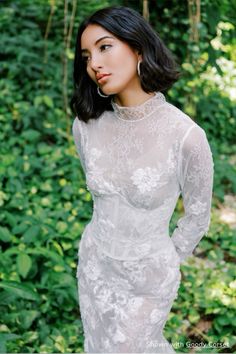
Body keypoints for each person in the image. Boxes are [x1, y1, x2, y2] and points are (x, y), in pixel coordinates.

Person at [70, 5, 214, 353]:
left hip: (148, 280)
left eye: (105, 47)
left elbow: (197, 217)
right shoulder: (86, 127)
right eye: (87, 56)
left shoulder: (186, 137)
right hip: (94, 267)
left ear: (138, 47)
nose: (95, 64)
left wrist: (165, 259)